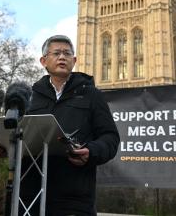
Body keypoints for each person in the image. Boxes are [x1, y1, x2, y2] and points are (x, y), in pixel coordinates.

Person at [20, 35, 120, 216]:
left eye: (67, 53)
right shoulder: (29, 96)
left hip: (74, 198)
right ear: (43, 61)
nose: (62, 57)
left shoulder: (92, 95)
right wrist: (5, 148)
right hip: (29, 197)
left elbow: (110, 138)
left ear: (74, 61)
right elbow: (18, 136)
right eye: (56, 53)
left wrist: (92, 151)